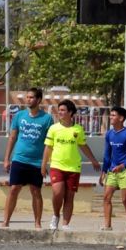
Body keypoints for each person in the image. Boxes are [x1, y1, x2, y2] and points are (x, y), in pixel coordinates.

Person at [41, 99, 100, 231]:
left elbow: (83, 145)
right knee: (58, 193)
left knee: (69, 196)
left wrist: (93, 160)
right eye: (59, 110)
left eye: (63, 110)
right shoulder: (53, 128)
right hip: (57, 165)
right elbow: (48, 148)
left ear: (70, 112)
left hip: (74, 167)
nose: (60, 112)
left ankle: (66, 223)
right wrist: (43, 165)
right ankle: (56, 216)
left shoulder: (78, 129)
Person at [1, 87, 53, 228]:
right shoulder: (19, 116)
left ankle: (37, 223)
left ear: (38, 100)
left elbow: (49, 144)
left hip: (36, 162)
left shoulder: (47, 119)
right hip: (19, 159)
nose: (28, 99)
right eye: (27, 97)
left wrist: (44, 164)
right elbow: (12, 137)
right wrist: (7, 158)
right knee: (14, 189)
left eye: (31, 97)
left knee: (36, 191)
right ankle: (5, 221)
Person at [99, 106, 126, 232]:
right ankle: (107, 225)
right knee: (106, 198)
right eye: (110, 115)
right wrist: (104, 171)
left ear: (121, 118)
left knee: (125, 200)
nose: (111, 117)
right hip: (112, 171)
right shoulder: (109, 134)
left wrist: (123, 165)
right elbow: (107, 154)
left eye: (113, 115)